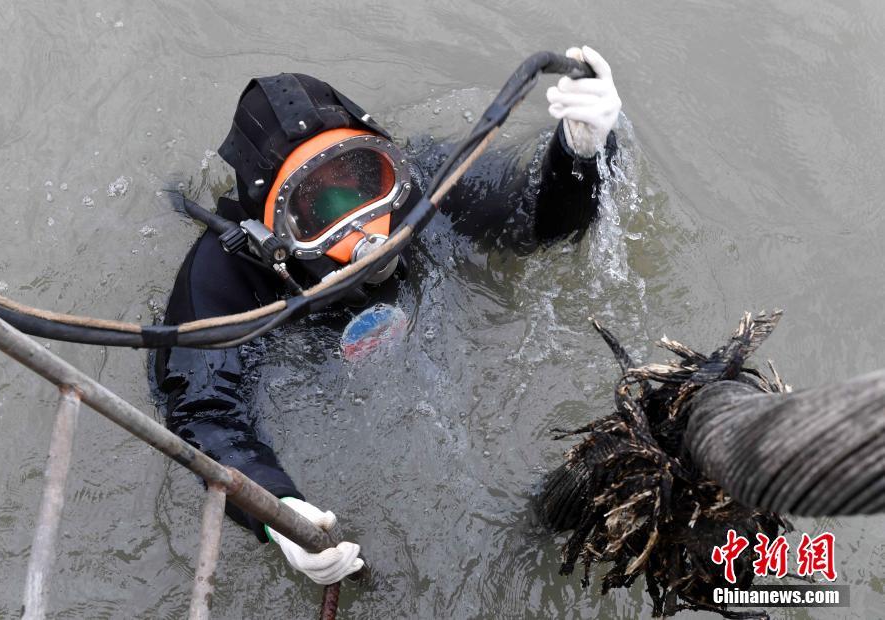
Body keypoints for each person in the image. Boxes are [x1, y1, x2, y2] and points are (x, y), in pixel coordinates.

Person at [154, 46, 622, 585]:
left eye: (362, 180)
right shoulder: (223, 274)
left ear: (387, 159)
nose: (367, 230)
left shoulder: (421, 186)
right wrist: (277, 512)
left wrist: (578, 154)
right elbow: (204, 413)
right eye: (317, 208)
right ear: (272, 234)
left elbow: (537, 223)